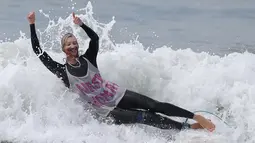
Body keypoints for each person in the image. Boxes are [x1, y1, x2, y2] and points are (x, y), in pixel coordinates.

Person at [27, 11, 216, 132]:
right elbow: (38, 51)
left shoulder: (88, 57)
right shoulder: (62, 71)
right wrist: (32, 24)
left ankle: (195, 117)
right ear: (63, 49)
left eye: (75, 43)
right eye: (68, 44)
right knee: (145, 117)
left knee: (153, 104)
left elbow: (95, 39)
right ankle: (189, 129)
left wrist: (82, 24)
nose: (73, 46)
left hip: (115, 93)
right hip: (103, 111)